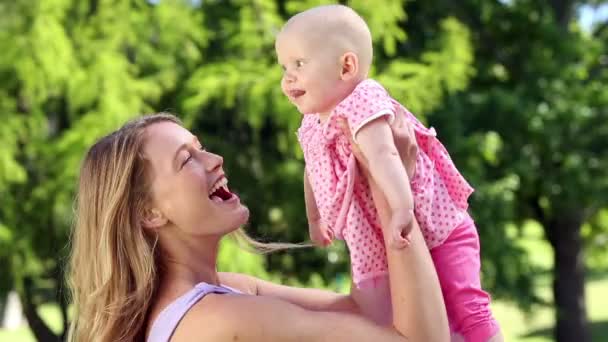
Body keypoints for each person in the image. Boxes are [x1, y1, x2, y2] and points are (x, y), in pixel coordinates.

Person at [67, 112, 449, 342]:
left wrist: (361, 185)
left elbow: (367, 311)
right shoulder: (223, 318)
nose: (215, 159)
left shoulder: (226, 292)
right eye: (187, 160)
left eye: (201, 147)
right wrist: (395, 190)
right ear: (150, 212)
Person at [275, 4, 502, 341]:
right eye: (284, 67)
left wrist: (402, 209)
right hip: (384, 244)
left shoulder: (362, 101)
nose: (288, 77)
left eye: (299, 64)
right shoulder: (311, 123)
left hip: (434, 224)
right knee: (415, 319)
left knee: (466, 306)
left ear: (346, 66)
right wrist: (314, 220)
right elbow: (312, 171)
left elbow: (384, 155)